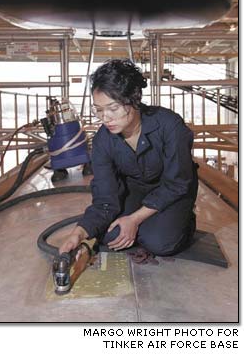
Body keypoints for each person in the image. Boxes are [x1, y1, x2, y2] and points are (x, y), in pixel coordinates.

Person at [60, 59, 198, 256]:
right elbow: (105, 198)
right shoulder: (102, 141)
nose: (105, 117)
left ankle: (185, 221)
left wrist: (134, 219)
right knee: (110, 235)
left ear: (134, 99)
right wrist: (80, 232)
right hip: (137, 190)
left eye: (113, 108)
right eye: (99, 110)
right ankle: (151, 223)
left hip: (173, 190)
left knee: (159, 242)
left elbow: (177, 183)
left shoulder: (169, 125)